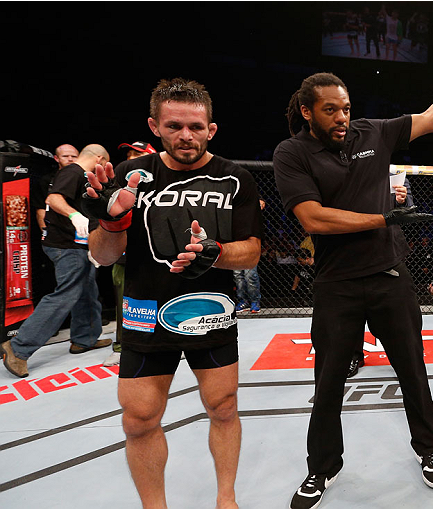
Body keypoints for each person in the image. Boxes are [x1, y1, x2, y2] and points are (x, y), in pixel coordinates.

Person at [274, 50, 433, 505]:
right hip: (336, 283)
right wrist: (384, 219)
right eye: (330, 109)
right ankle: (322, 468)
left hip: (389, 276)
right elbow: (312, 218)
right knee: (328, 382)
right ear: (307, 112)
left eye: (346, 108)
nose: (341, 117)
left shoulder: (372, 131)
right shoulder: (293, 152)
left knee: (412, 369)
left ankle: (429, 449)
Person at [83, 78, 262, 508]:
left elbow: (252, 252)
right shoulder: (129, 176)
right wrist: (111, 224)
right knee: (140, 419)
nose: (187, 135)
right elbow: (103, 257)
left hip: (210, 310)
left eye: (196, 127)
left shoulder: (235, 179)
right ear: (155, 126)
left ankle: (226, 498)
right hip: (146, 311)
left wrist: (214, 253)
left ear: (211, 129)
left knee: (223, 407)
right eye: (175, 125)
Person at [1, 145, 112, 378]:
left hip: (78, 244)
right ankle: (18, 348)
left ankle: (84, 339)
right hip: (66, 246)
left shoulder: (78, 175)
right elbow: (54, 198)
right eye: (103, 164)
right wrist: (74, 215)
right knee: (67, 294)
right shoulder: (74, 172)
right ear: (99, 158)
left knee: (88, 290)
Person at [347, 176, 413, 377]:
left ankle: (402, 357)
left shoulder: (394, 173)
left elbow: (407, 210)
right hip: (352, 249)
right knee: (352, 310)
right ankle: (353, 356)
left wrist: (401, 201)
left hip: (388, 251)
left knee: (399, 310)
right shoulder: (347, 170)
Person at [104, 140, 158, 367]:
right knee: (123, 300)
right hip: (125, 253)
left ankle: (170, 340)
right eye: (129, 155)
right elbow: (102, 212)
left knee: (162, 296)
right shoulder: (115, 182)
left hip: (157, 252)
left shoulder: (163, 185)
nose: (130, 159)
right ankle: (121, 346)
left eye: (136, 155)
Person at [33, 144, 79, 237]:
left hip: (82, 233)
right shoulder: (46, 180)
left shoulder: (85, 177)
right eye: (65, 156)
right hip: (57, 236)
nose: (70, 159)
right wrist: (44, 232)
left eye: (74, 156)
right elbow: (41, 208)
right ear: (56, 158)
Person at [234, 198, 265, 314]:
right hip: (235, 241)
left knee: (250, 274)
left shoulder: (248, 197)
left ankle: (255, 301)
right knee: (238, 275)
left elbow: (261, 203)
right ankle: (243, 301)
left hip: (249, 240)